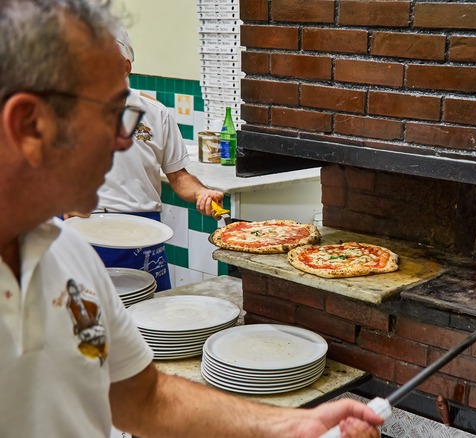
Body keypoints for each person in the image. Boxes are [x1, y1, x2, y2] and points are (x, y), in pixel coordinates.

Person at [0, 1, 383, 437]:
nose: (124, 142)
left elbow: (145, 398)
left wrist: (291, 426)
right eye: (109, 116)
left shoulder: (65, 253)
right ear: (29, 125)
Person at [78, 26, 223, 291]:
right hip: (83, 233)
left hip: (142, 235)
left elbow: (179, 177)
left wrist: (202, 193)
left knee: (150, 321)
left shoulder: (156, 115)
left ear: (125, 67)